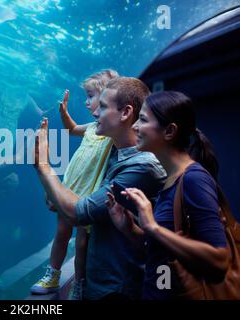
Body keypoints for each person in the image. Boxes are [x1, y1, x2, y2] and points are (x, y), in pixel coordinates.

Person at [33, 77, 166, 300]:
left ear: (125, 113)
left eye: (102, 107)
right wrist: (57, 193)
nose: (95, 113)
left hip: (118, 289)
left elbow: (79, 213)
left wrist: (43, 166)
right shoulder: (112, 151)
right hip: (103, 282)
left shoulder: (142, 166)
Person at [106, 91, 229, 299]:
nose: (135, 126)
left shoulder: (193, 179)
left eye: (143, 120)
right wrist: (129, 228)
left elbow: (219, 261)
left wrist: (153, 226)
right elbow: (160, 251)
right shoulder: (171, 178)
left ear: (169, 131)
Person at [30, 70, 118, 299]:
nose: (87, 101)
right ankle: (52, 275)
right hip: (69, 188)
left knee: (81, 244)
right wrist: (64, 113)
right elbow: (71, 129)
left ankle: (79, 284)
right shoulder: (92, 127)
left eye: (91, 96)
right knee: (60, 234)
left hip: (87, 196)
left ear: (108, 97)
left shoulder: (110, 132)